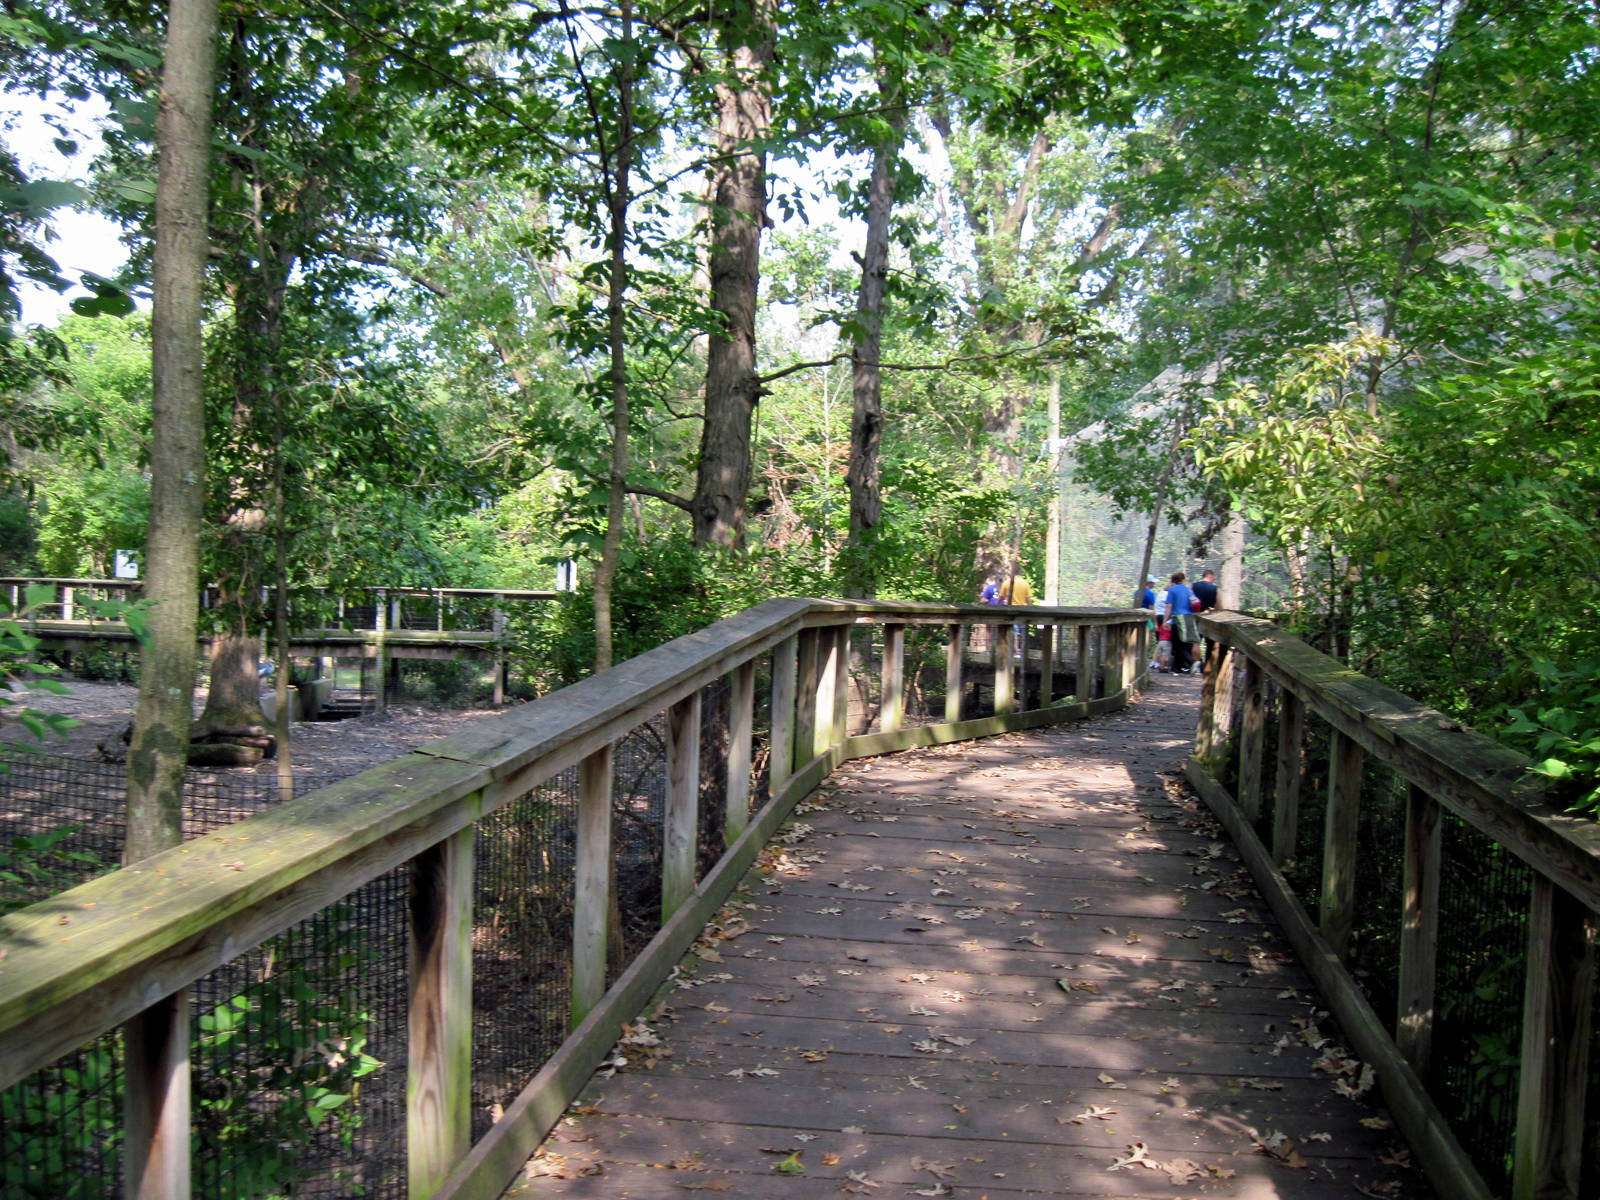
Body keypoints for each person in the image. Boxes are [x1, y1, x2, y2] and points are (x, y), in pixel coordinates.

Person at [1164, 571, 1200, 674]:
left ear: (1173, 581)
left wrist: (1165, 621)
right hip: (1189, 618)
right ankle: (1177, 668)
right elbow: (1195, 602)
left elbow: (1169, 606)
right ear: (1183, 579)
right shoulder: (1188, 590)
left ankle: (1192, 662)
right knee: (1185, 643)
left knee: (1177, 644)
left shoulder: (1171, 590)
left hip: (1177, 620)